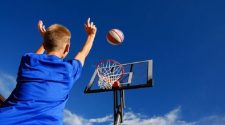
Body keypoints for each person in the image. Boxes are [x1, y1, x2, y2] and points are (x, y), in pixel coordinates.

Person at [0, 18, 97, 125]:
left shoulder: (28, 60)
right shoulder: (69, 71)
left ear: (45, 45)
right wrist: (91, 35)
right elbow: (83, 53)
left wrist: (46, 39)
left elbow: (36, 56)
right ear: (67, 48)